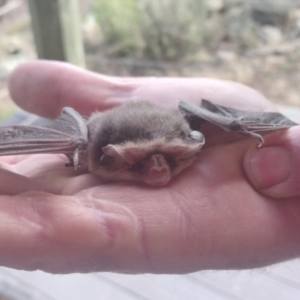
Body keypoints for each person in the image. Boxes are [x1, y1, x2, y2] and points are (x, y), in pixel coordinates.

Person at [0, 60, 299, 274]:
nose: (158, 168)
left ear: (187, 150)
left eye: (167, 159)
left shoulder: (190, 139)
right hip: (105, 133)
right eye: (144, 162)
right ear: (113, 158)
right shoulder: (94, 145)